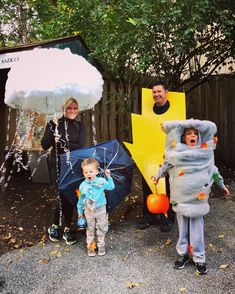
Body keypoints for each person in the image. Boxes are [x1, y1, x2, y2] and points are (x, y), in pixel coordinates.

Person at [153, 119, 230, 274]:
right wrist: (158, 175)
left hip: (198, 201)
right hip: (181, 199)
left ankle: (199, 257)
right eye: (189, 134)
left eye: (195, 133)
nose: (192, 135)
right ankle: (183, 255)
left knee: (197, 230)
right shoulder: (177, 154)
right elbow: (166, 164)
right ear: (183, 138)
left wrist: (222, 187)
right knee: (183, 230)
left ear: (199, 138)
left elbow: (214, 172)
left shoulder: (205, 155)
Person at [41, 97, 86, 245]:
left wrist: (62, 141)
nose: (72, 111)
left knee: (70, 194)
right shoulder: (54, 123)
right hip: (58, 165)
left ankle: (65, 227)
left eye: (75, 108)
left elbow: (79, 146)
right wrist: (52, 129)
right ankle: (57, 226)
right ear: (64, 109)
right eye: (69, 108)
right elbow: (44, 145)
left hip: (74, 164)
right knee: (62, 193)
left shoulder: (80, 126)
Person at [138, 81, 175, 232]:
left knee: (168, 187)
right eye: (154, 92)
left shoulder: (173, 111)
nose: (156, 95)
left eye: (159, 91)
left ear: (166, 92)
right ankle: (149, 216)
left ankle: (168, 218)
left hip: (167, 155)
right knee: (148, 185)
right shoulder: (148, 110)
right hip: (149, 154)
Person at [77, 158, 115, 257]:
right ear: (83, 173)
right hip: (89, 211)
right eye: (86, 172)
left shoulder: (101, 181)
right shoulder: (82, 186)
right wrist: (80, 212)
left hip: (101, 209)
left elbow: (111, 187)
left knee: (101, 228)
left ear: (97, 171)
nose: (88, 174)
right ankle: (91, 246)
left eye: (91, 171)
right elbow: (80, 200)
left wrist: (108, 177)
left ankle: (101, 245)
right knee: (90, 229)